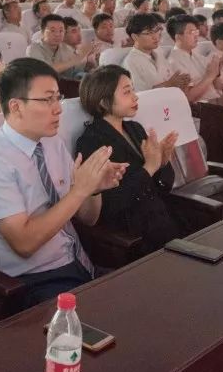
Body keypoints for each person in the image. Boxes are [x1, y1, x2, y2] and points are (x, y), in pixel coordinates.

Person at [0, 58, 126, 306]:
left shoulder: (51, 142)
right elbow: (25, 243)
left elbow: (87, 219)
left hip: (77, 261)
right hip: (31, 281)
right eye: (47, 99)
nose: (58, 108)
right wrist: (79, 191)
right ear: (16, 106)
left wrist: (93, 190)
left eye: (58, 97)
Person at [75, 65, 179, 252]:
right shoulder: (92, 142)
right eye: (127, 92)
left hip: (161, 221)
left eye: (133, 89)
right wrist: (149, 168)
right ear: (104, 102)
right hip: (132, 235)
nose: (135, 96)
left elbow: (163, 187)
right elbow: (109, 206)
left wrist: (162, 163)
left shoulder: (135, 129)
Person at [121, 13, 190, 93]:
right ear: (135, 37)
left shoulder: (158, 51)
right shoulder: (131, 62)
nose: (155, 36)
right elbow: (140, 95)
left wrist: (182, 81)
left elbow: (170, 76)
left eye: (156, 31)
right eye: (149, 33)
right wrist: (170, 84)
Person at [166, 15, 221, 102]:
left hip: (216, 101)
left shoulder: (198, 57)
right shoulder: (174, 62)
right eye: (191, 32)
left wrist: (217, 70)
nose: (196, 36)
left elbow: (218, 86)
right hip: (201, 109)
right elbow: (188, 98)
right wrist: (210, 76)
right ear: (178, 37)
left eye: (196, 32)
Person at [26, 14, 93, 79]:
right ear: (42, 32)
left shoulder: (67, 48)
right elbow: (45, 72)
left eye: (61, 31)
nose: (57, 34)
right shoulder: (33, 49)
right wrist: (76, 59)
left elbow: (75, 71)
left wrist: (89, 59)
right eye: (53, 31)